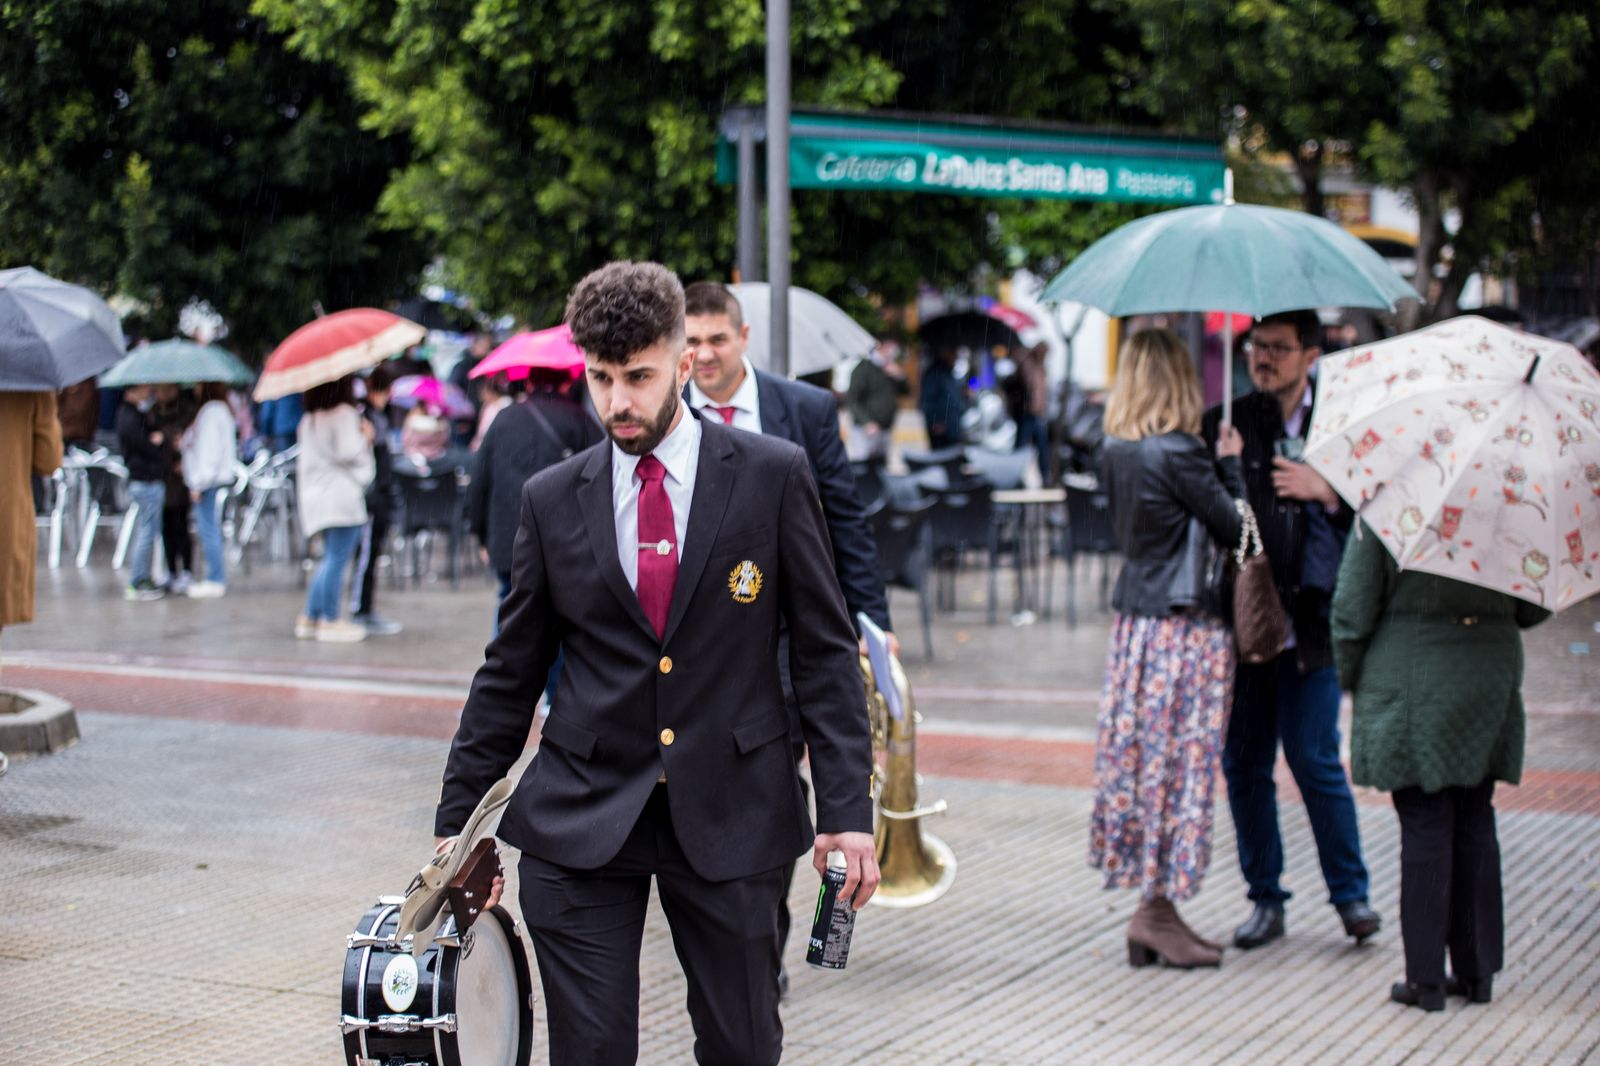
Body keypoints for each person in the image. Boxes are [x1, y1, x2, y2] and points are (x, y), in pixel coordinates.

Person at [435, 261, 877, 1066]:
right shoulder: (551, 496)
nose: (617, 403)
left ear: (684, 360)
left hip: (737, 810)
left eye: (637, 376)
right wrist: (456, 830)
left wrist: (846, 810)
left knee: (743, 1047)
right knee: (593, 1052)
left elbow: (822, 651)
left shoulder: (772, 476)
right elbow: (511, 671)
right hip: (581, 812)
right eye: (600, 379)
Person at [682, 280, 894, 984]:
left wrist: (873, 625)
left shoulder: (803, 409)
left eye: (716, 338)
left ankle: (761, 945)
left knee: (773, 791)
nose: (704, 353)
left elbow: (845, 524)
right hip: (699, 651)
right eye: (691, 341)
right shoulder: (666, 416)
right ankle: (734, 931)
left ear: (743, 339)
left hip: (783, 638)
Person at [1202, 309, 1380, 950]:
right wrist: (1226, 467)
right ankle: (1265, 899)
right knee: (1245, 764)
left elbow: (1380, 509)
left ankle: (1351, 897)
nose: (1263, 359)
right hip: (1246, 627)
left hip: (1311, 624)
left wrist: (1326, 492)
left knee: (1314, 758)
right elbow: (1218, 518)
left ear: (1311, 355)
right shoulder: (1226, 422)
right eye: (1256, 348)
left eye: (1278, 349)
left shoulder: (1343, 423)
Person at [1332, 524, 1549, 1010]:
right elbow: (1535, 606)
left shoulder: (1395, 506)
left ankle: (1425, 980)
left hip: (1414, 669)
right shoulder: (1513, 505)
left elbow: (1352, 607)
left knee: (1425, 820)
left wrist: (1350, 675)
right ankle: (1477, 975)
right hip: (1489, 670)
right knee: (1475, 816)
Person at [1090, 329, 1245, 969]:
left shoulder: (1116, 449)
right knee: (1180, 769)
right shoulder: (1180, 451)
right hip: (1185, 631)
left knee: (1143, 767)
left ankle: (1158, 912)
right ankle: (1156, 911)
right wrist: (1230, 465)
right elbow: (1241, 532)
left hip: (1136, 630)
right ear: (1178, 381)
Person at [295, 375, 375, 643]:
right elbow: (349, 451)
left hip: (317, 498)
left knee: (329, 558)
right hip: (341, 497)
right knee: (337, 559)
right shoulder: (343, 413)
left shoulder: (308, 419)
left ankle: (310, 616)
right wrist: (366, 436)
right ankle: (330, 619)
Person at [351, 365, 402, 635]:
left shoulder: (380, 415)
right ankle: (359, 608)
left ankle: (366, 607)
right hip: (371, 494)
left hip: (382, 491)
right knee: (366, 554)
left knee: (372, 552)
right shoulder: (364, 416)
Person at [180, 382, 237, 598]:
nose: (194, 389)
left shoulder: (212, 412)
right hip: (210, 479)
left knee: (208, 529)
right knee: (209, 528)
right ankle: (215, 576)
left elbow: (210, 453)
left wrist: (199, 483)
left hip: (208, 481)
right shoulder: (218, 410)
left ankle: (216, 577)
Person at [115, 384, 169, 600]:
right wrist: (157, 442)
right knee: (147, 532)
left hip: (144, 479)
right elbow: (144, 446)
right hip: (145, 479)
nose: (149, 392)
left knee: (147, 530)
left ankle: (142, 576)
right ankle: (138, 579)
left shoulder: (135, 414)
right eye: (145, 388)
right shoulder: (130, 417)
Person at [154, 382, 197, 593]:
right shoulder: (153, 414)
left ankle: (186, 569)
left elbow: (187, 440)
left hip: (179, 479)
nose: (162, 393)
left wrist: (168, 439)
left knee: (181, 525)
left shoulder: (186, 411)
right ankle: (171, 569)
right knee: (166, 527)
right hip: (161, 477)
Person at [919, 347, 968, 449]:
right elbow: (927, 400)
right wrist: (934, 421)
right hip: (941, 428)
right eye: (952, 353)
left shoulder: (949, 372)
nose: (955, 356)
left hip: (952, 426)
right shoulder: (934, 373)